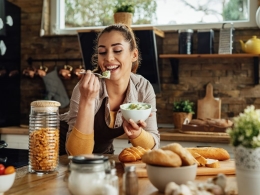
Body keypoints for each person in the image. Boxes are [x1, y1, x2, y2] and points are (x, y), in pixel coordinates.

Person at [61, 24, 160, 155]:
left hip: (101, 155)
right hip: (56, 150)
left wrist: (137, 133)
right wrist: (87, 101)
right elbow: (77, 155)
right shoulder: (86, 88)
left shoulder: (143, 88)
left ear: (134, 55)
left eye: (117, 50)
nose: (108, 58)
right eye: (102, 52)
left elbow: (154, 147)